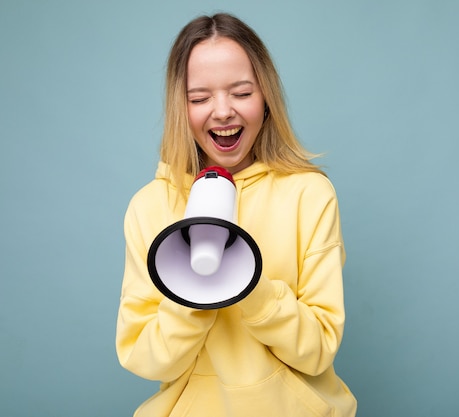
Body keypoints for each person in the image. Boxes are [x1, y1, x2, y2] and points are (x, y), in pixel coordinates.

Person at [115, 13, 357, 417]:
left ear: (266, 99)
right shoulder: (149, 207)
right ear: (181, 107)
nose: (222, 111)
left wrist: (251, 287)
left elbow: (318, 349)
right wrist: (192, 292)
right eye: (199, 98)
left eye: (241, 93)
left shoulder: (309, 195)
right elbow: (144, 357)